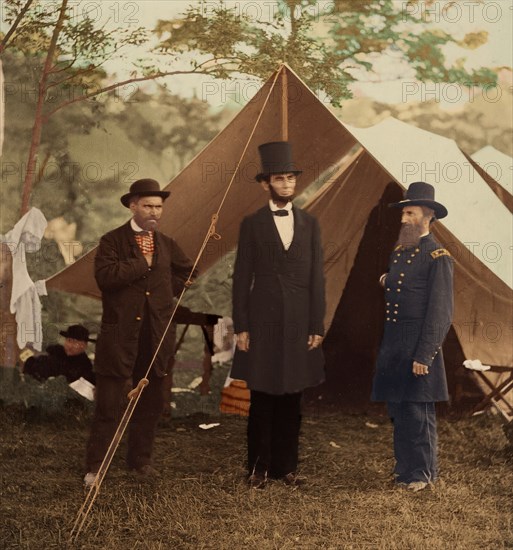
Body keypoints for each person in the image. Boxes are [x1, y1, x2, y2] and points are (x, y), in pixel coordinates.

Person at [84, 179, 196, 486]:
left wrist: (164, 292)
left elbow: (189, 272)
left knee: (150, 401)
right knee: (109, 402)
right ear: (133, 205)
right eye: (147, 205)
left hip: (156, 335)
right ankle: (95, 466)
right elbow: (105, 278)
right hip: (120, 336)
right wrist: (141, 264)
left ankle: (140, 460)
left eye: (158, 207)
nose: (154, 212)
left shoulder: (168, 244)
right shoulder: (112, 241)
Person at [231, 141, 326, 489]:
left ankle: (286, 468)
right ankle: (258, 468)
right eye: (279, 179)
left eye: (291, 178)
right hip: (263, 319)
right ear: (265, 184)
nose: (287, 184)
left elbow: (318, 276)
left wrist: (317, 323)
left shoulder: (310, 224)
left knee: (292, 397)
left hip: (301, 320)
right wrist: (241, 325)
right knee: (263, 395)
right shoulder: (252, 224)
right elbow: (242, 276)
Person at [372, 181, 454, 492]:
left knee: (418, 410)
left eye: (410, 212)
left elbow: (440, 312)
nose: (404, 218)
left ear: (428, 215)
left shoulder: (438, 256)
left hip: (418, 340)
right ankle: (404, 470)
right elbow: (403, 283)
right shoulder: (401, 250)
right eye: (403, 213)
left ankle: (423, 474)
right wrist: (387, 280)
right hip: (394, 341)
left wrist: (425, 354)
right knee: (399, 408)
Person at [22, 324, 95, 385]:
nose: (70, 345)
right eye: (69, 340)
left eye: (75, 342)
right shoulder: (55, 353)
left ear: (84, 346)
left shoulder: (85, 367)